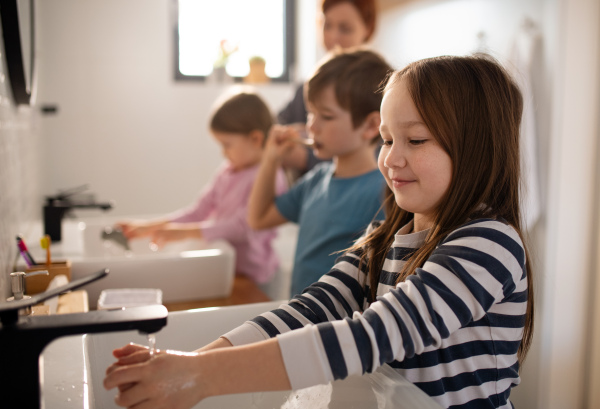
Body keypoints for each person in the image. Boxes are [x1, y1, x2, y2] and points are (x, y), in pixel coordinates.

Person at [104, 54, 534, 409]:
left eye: (415, 141)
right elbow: (315, 306)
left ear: (476, 149)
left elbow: (375, 335)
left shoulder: (489, 244)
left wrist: (200, 377)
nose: (391, 159)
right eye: (386, 140)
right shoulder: (390, 228)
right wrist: (190, 365)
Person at [249, 49, 390, 296]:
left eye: (325, 116)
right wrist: (271, 159)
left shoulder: (384, 191)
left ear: (370, 126)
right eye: (311, 113)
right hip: (297, 317)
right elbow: (258, 219)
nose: (312, 125)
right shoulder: (315, 181)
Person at [117, 92, 288, 296]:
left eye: (227, 145)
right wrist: (149, 227)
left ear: (255, 139)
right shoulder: (227, 171)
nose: (223, 153)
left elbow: (242, 227)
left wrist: (184, 232)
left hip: (258, 277)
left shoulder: (269, 178)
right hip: (231, 271)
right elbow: (198, 211)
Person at [278, 0, 378, 174]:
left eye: (345, 28)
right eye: (327, 25)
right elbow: (279, 123)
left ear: (367, 29)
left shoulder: (383, 89)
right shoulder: (306, 86)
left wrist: (305, 159)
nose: (333, 37)